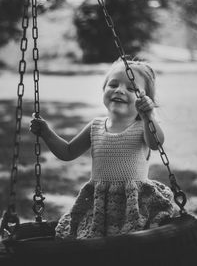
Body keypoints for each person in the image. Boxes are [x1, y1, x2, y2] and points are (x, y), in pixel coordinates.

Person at [30, 57, 174, 239]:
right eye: (113, 85)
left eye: (131, 88)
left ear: (146, 100)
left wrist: (148, 116)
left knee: (132, 244)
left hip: (133, 204)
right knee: (95, 242)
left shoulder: (143, 127)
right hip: (100, 203)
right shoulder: (95, 126)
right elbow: (67, 152)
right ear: (103, 90)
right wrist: (46, 132)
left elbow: (156, 143)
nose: (120, 90)